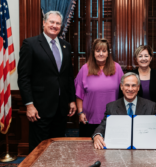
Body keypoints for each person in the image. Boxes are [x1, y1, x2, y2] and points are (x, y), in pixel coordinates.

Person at [17, 11, 76, 153]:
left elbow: (68, 76)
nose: (54, 26)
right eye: (51, 22)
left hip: (61, 109)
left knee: (58, 147)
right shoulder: (30, 44)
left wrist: (72, 100)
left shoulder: (66, 46)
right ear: (44, 23)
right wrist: (29, 105)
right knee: (39, 149)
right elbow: (23, 77)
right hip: (40, 108)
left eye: (57, 23)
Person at [93, 72, 156, 149]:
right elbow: (103, 125)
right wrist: (97, 135)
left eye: (133, 85)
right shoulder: (111, 106)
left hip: (143, 150)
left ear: (138, 87)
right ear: (121, 86)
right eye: (127, 85)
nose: (130, 89)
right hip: (119, 150)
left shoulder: (150, 106)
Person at [75, 38, 123, 137]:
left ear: (108, 53)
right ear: (93, 52)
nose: (101, 54)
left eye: (104, 51)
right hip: (89, 119)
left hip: (112, 118)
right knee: (87, 151)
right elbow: (79, 93)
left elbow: (124, 91)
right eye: (98, 51)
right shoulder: (85, 68)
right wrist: (80, 113)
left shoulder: (116, 68)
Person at [132, 45, 156, 121]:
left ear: (150, 58)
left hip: (155, 115)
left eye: (146, 56)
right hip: (134, 115)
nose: (143, 58)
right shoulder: (131, 75)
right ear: (136, 59)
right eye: (140, 56)